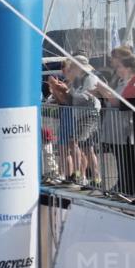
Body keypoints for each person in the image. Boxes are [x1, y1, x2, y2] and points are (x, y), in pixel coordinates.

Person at [49, 55, 101, 187]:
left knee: (78, 143)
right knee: (85, 147)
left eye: (72, 66)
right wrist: (59, 90)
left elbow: (86, 96)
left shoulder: (90, 78)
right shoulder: (77, 80)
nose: (69, 69)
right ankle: (92, 178)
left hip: (90, 115)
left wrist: (64, 89)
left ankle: (80, 175)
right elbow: (69, 100)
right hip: (80, 116)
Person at [95, 46, 135, 196]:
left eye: (118, 65)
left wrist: (103, 89)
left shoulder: (132, 82)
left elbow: (122, 103)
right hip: (116, 130)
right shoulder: (119, 81)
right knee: (121, 160)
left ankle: (127, 189)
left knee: (127, 161)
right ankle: (122, 185)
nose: (115, 67)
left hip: (127, 131)